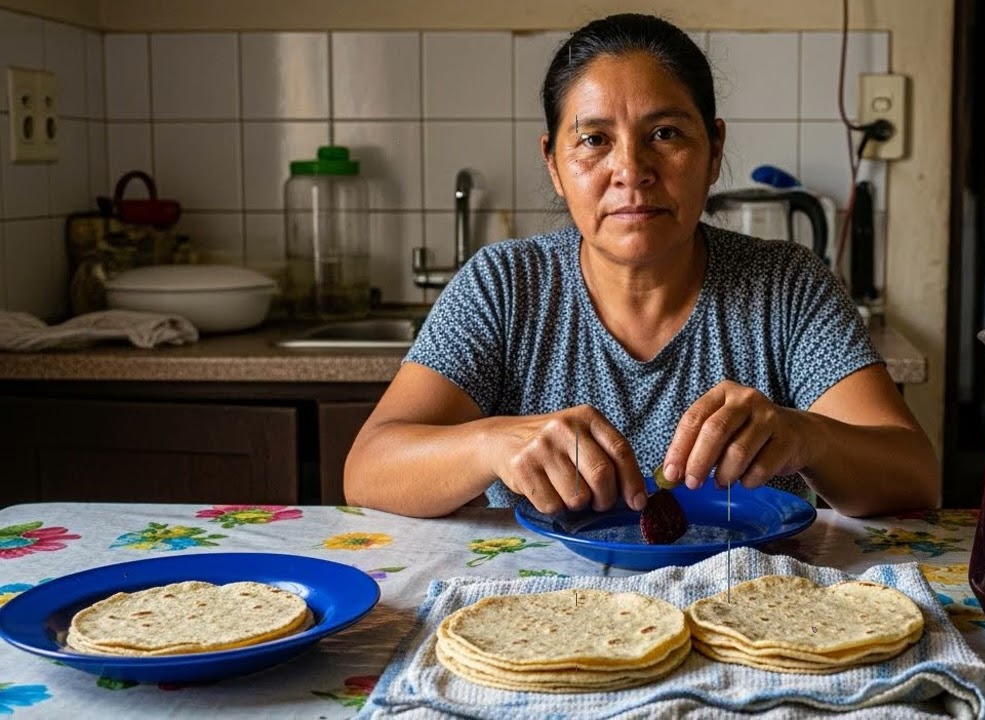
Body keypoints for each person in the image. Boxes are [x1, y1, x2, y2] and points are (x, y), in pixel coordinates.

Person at [344, 13, 940, 519]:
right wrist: (490, 444)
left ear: (713, 151)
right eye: (594, 140)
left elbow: (914, 476)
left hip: (741, 608)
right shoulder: (504, 286)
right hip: (542, 614)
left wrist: (809, 437)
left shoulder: (786, 287)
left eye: (664, 133)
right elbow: (369, 469)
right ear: (553, 162)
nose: (632, 169)